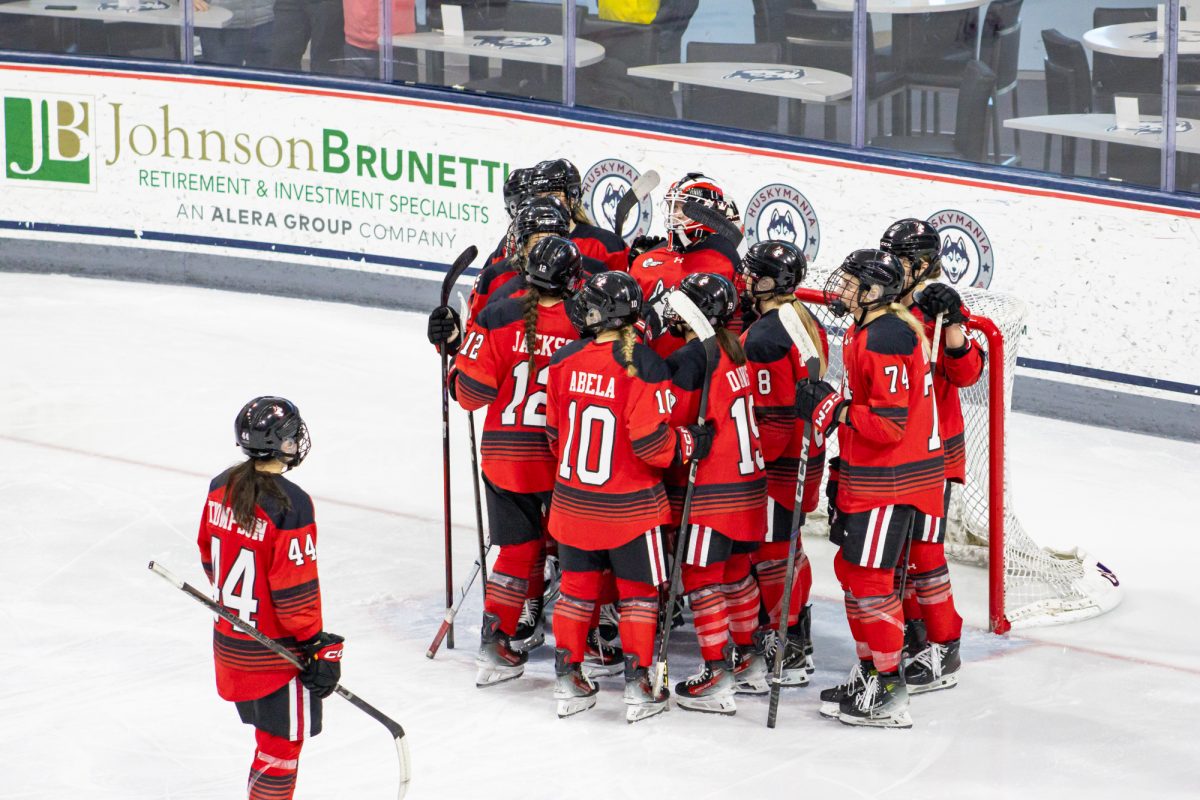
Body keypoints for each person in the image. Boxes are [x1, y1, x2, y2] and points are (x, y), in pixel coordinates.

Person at [544, 271, 713, 722]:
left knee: (576, 592)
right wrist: (690, 443)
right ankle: (640, 687)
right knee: (639, 596)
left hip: (573, 503)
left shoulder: (562, 359)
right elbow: (653, 448)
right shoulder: (645, 362)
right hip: (632, 508)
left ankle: (568, 677)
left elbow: (555, 436)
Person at [797, 249, 945, 729]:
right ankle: (869, 674)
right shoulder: (874, 328)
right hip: (874, 474)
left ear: (874, 292)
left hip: (892, 480)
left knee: (870, 579)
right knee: (851, 570)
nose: (840, 291)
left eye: (850, 284)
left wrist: (835, 410)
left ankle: (886, 688)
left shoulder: (886, 336)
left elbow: (888, 425)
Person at [428, 236, 585, 687]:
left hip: (506, 458)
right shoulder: (584, 321)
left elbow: (468, 395)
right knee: (580, 558)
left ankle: (496, 643)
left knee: (515, 553)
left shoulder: (497, 315)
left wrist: (453, 355)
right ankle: (585, 647)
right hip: (565, 462)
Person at [198, 397, 343, 800]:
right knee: (279, 749)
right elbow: (296, 595)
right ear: (280, 442)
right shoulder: (291, 504)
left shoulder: (220, 486)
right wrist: (317, 646)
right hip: (277, 655)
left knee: (268, 747)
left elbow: (210, 558)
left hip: (232, 643)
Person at [881, 218, 983, 693]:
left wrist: (956, 324)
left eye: (899, 258)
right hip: (890, 450)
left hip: (931, 453)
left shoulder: (938, 306)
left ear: (922, 263)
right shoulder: (881, 294)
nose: (889, 265)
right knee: (895, 552)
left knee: (923, 551)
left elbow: (966, 375)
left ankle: (945, 645)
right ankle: (913, 632)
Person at [662, 273, 768, 715]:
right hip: (749, 486)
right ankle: (749, 660)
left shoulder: (692, 357)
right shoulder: (733, 346)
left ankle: (716, 675)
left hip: (712, 490)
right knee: (737, 573)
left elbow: (672, 423)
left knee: (703, 578)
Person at [739, 240, 828, 688]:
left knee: (773, 555)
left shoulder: (763, 336)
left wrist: (747, 463)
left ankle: (785, 647)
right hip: (807, 455)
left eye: (753, 272)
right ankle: (796, 639)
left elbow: (772, 421)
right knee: (789, 549)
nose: (746, 277)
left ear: (770, 281)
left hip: (779, 462)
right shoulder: (805, 321)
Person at [629, 172, 742, 359]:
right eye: (672, 205)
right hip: (645, 367)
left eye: (681, 207)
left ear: (707, 210)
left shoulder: (725, 264)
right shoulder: (645, 261)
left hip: (695, 370)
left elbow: (735, 328)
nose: (673, 213)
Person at [466, 194, 571, 321]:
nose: (546, 253)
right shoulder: (495, 280)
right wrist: (453, 338)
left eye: (553, 244)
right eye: (537, 245)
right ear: (523, 249)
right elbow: (472, 331)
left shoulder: (584, 287)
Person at [528, 158, 630, 272]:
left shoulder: (607, 245)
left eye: (553, 195)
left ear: (573, 197)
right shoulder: (524, 242)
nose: (545, 203)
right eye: (538, 197)